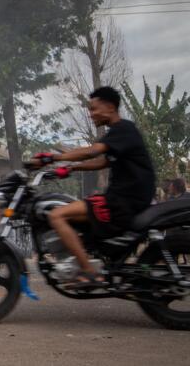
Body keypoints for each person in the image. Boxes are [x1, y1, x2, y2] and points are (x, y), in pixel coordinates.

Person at [33, 86, 155, 288]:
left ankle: (89, 272)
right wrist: (72, 169)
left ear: (109, 107)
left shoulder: (123, 129)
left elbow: (92, 152)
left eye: (93, 109)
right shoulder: (120, 132)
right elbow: (103, 162)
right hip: (124, 198)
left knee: (56, 215)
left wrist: (51, 158)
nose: (91, 114)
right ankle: (90, 257)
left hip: (124, 201)